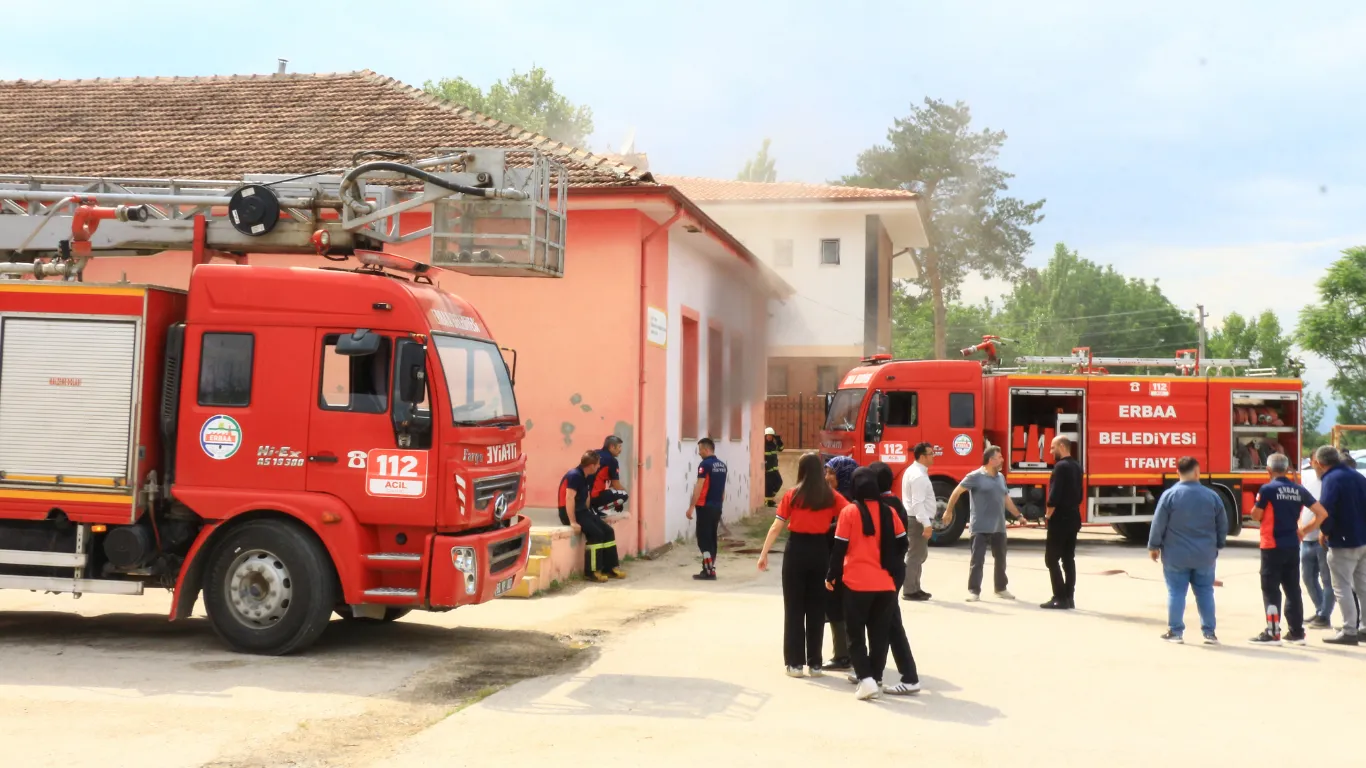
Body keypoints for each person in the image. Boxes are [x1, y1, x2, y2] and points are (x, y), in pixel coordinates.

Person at [757, 452, 848, 677]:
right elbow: (849, 514)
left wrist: (763, 553)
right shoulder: (831, 496)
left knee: (794, 608)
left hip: (796, 550)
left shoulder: (792, 495)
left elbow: (776, 527)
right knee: (817, 609)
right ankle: (815, 663)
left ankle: (795, 664)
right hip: (820, 551)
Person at [826, 467, 909, 701]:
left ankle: (866, 679)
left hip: (856, 583)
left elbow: (839, 548)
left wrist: (831, 576)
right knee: (879, 634)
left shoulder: (849, 512)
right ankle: (876, 676)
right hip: (885, 585)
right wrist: (891, 565)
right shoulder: (890, 512)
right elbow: (904, 543)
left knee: (855, 634)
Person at [1248, 453, 1327, 644]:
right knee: (1292, 589)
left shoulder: (1267, 489)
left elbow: (1256, 516)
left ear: (1268, 470)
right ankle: (1297, 632)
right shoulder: (1298, 489)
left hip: (1271, 545)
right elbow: (1322, 513)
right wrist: (1304, 530)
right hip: (1292, 545)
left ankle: (1272, 631)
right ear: (1286, 469)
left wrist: (1254, 510)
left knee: (1270, 589)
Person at [1147, 456, 1227, 644]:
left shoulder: (1169, 495)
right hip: (1204, 556)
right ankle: (1209, 633)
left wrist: (1154, 546)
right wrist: (1218, 545)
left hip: (1176, 556)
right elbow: (1222, 524)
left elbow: (1158, 523)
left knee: (1176, 592)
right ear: (1198, 472)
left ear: (1177, 473)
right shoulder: (1212, 496)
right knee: (1205, 592)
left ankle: (1175, 632)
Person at [943, 446, 1027, 602]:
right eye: (1000, 457)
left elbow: (1005, 499)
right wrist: (948, 511)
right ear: (991, 460)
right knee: (977, 560)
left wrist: (1019, 515)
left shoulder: (1000, 477)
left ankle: (1001, 588)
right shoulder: (975, 476)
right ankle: (974, 591)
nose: (1002, 460)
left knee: (1001, 559)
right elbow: (956, 492)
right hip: (980, 526)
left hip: (999, 526)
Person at [871, 461, 922, 695]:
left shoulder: (884, 507)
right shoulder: (895, 503)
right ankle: (875, 674)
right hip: (892, 570)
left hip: (887, 573)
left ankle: (910, 677)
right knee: (882, 623)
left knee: (891, 624)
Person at [1310, 445, 1366, 645]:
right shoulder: (1358, 476)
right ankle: (1364, 628)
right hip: (1363, 539)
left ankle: (1349, 630)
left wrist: (1325, 531)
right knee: (1362, 586)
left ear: (1319, 463)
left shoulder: (1331, 479)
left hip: (1343, 541)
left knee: (1341, 586)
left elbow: (1326, 510)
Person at [557, 450, 625, 583]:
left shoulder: (586, 476)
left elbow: (586, 496)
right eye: (598, 464)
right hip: (570, 512)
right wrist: (572, 522)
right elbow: (569, 498)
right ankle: (592, 572)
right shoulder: (574, 475)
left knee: (608, 531)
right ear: (591, 465)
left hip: (582, 511)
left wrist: (591, 514)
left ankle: (609, 568)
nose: (599, 467)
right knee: (596, 534)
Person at [820, 455, 860, 670]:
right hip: (841, 562)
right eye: (826, 472)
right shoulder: (838, 498)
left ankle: (843, 655)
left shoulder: (846, 502)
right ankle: (847, 653)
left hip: (844, 563)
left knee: (838, 607)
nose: (826, 477)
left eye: (831, 473)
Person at [1041, 437, 1082, 610]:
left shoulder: (1060, 467)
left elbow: (1054, 496)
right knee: (1068, 558)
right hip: (1074, 517)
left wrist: (1048, 515)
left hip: (1060, 519)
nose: (1050, 452)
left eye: (1052, 448)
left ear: (1062, 446)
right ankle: (1069, 597)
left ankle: (1059, 597)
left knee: (1051, 559)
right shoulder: (1077, 466)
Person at [899, 442, 937, 602]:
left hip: (916, 518)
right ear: (922, 456)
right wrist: (926, 524)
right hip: (917, 520)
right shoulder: (918, 476)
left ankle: (915, 587)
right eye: (931, 454)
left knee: (919, 554)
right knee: (915, 555)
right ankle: (909, 590)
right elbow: (917, 503)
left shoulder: (914, 471)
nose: (933, 456)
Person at [687, 438, 727, 581]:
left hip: (704, 506)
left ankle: (709, 571)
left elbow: (699, 486)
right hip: (717, 507)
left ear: (707, 449)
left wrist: (691, 507)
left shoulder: (705, 465)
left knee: (703, 539)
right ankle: (709, 568)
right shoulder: (722, 465)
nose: (699, 453)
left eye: (700, 449)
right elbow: (722, 491)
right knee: (711, 538)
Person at [590, 436, 630, 514]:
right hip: (595, 496)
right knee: (624, 495)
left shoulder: (594, 453)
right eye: (619, 447)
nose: (620, 450)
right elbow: (616, 485)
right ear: (612, 446)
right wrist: (619, 502)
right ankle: (597, 509)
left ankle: (593, 508)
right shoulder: (612, 461)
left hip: (584, 495)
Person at [764, 428, 785, 507]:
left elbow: (781, 449)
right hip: (767, 470)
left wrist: (779, 440)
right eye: (768, 436)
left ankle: (770, 499)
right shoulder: (763, 445)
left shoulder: (773, 445)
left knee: (779, 482)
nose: (769, 437)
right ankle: (768, 502)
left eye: (771, 436)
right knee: (768, 486)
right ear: (765, 436)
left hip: (774, 469)